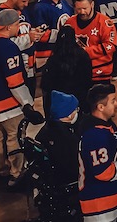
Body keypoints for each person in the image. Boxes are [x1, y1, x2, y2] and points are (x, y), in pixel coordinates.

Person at [0, 8, 43, 190]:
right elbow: (15, 82)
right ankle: (17, 174)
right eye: (17, 24)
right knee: (15, 136)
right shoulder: (8, 48)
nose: (19, 27)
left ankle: (0, 169)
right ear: (9, 26)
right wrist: (27, 104)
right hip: (9, 104)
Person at [78, 83, 117, 222]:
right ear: (100, 107)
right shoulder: (95, 136)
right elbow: (103, 172)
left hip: (110, 203)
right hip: (100, 208)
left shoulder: (107, 125)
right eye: (112, 101)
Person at [38, 91, 84, 221]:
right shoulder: (67, 137)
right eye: (76, 109)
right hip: (68, 180)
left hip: (51, 180)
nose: (77, 112)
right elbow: (75, 165)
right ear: (69, 114)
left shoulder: (45, 132)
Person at [41, 20, 93, 115]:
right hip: (79, 102)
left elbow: (46, 85)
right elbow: (87, 80)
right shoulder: (83, 55)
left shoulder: (53, 59)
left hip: (59, 104)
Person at [67, 0, 117, 85]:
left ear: (92, 4)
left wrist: (84, 52)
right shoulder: (69, 23)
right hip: (77, 73)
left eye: (84, 8)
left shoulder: (105, 22)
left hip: (100, 73)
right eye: (78, 9)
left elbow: (110, 46)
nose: (82, 12)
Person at [25, 0, 73, 70]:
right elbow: (40, 34)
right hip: (47, 57)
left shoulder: (63, 2)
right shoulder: (40, 8)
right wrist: (64, 37)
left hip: (65, 52)